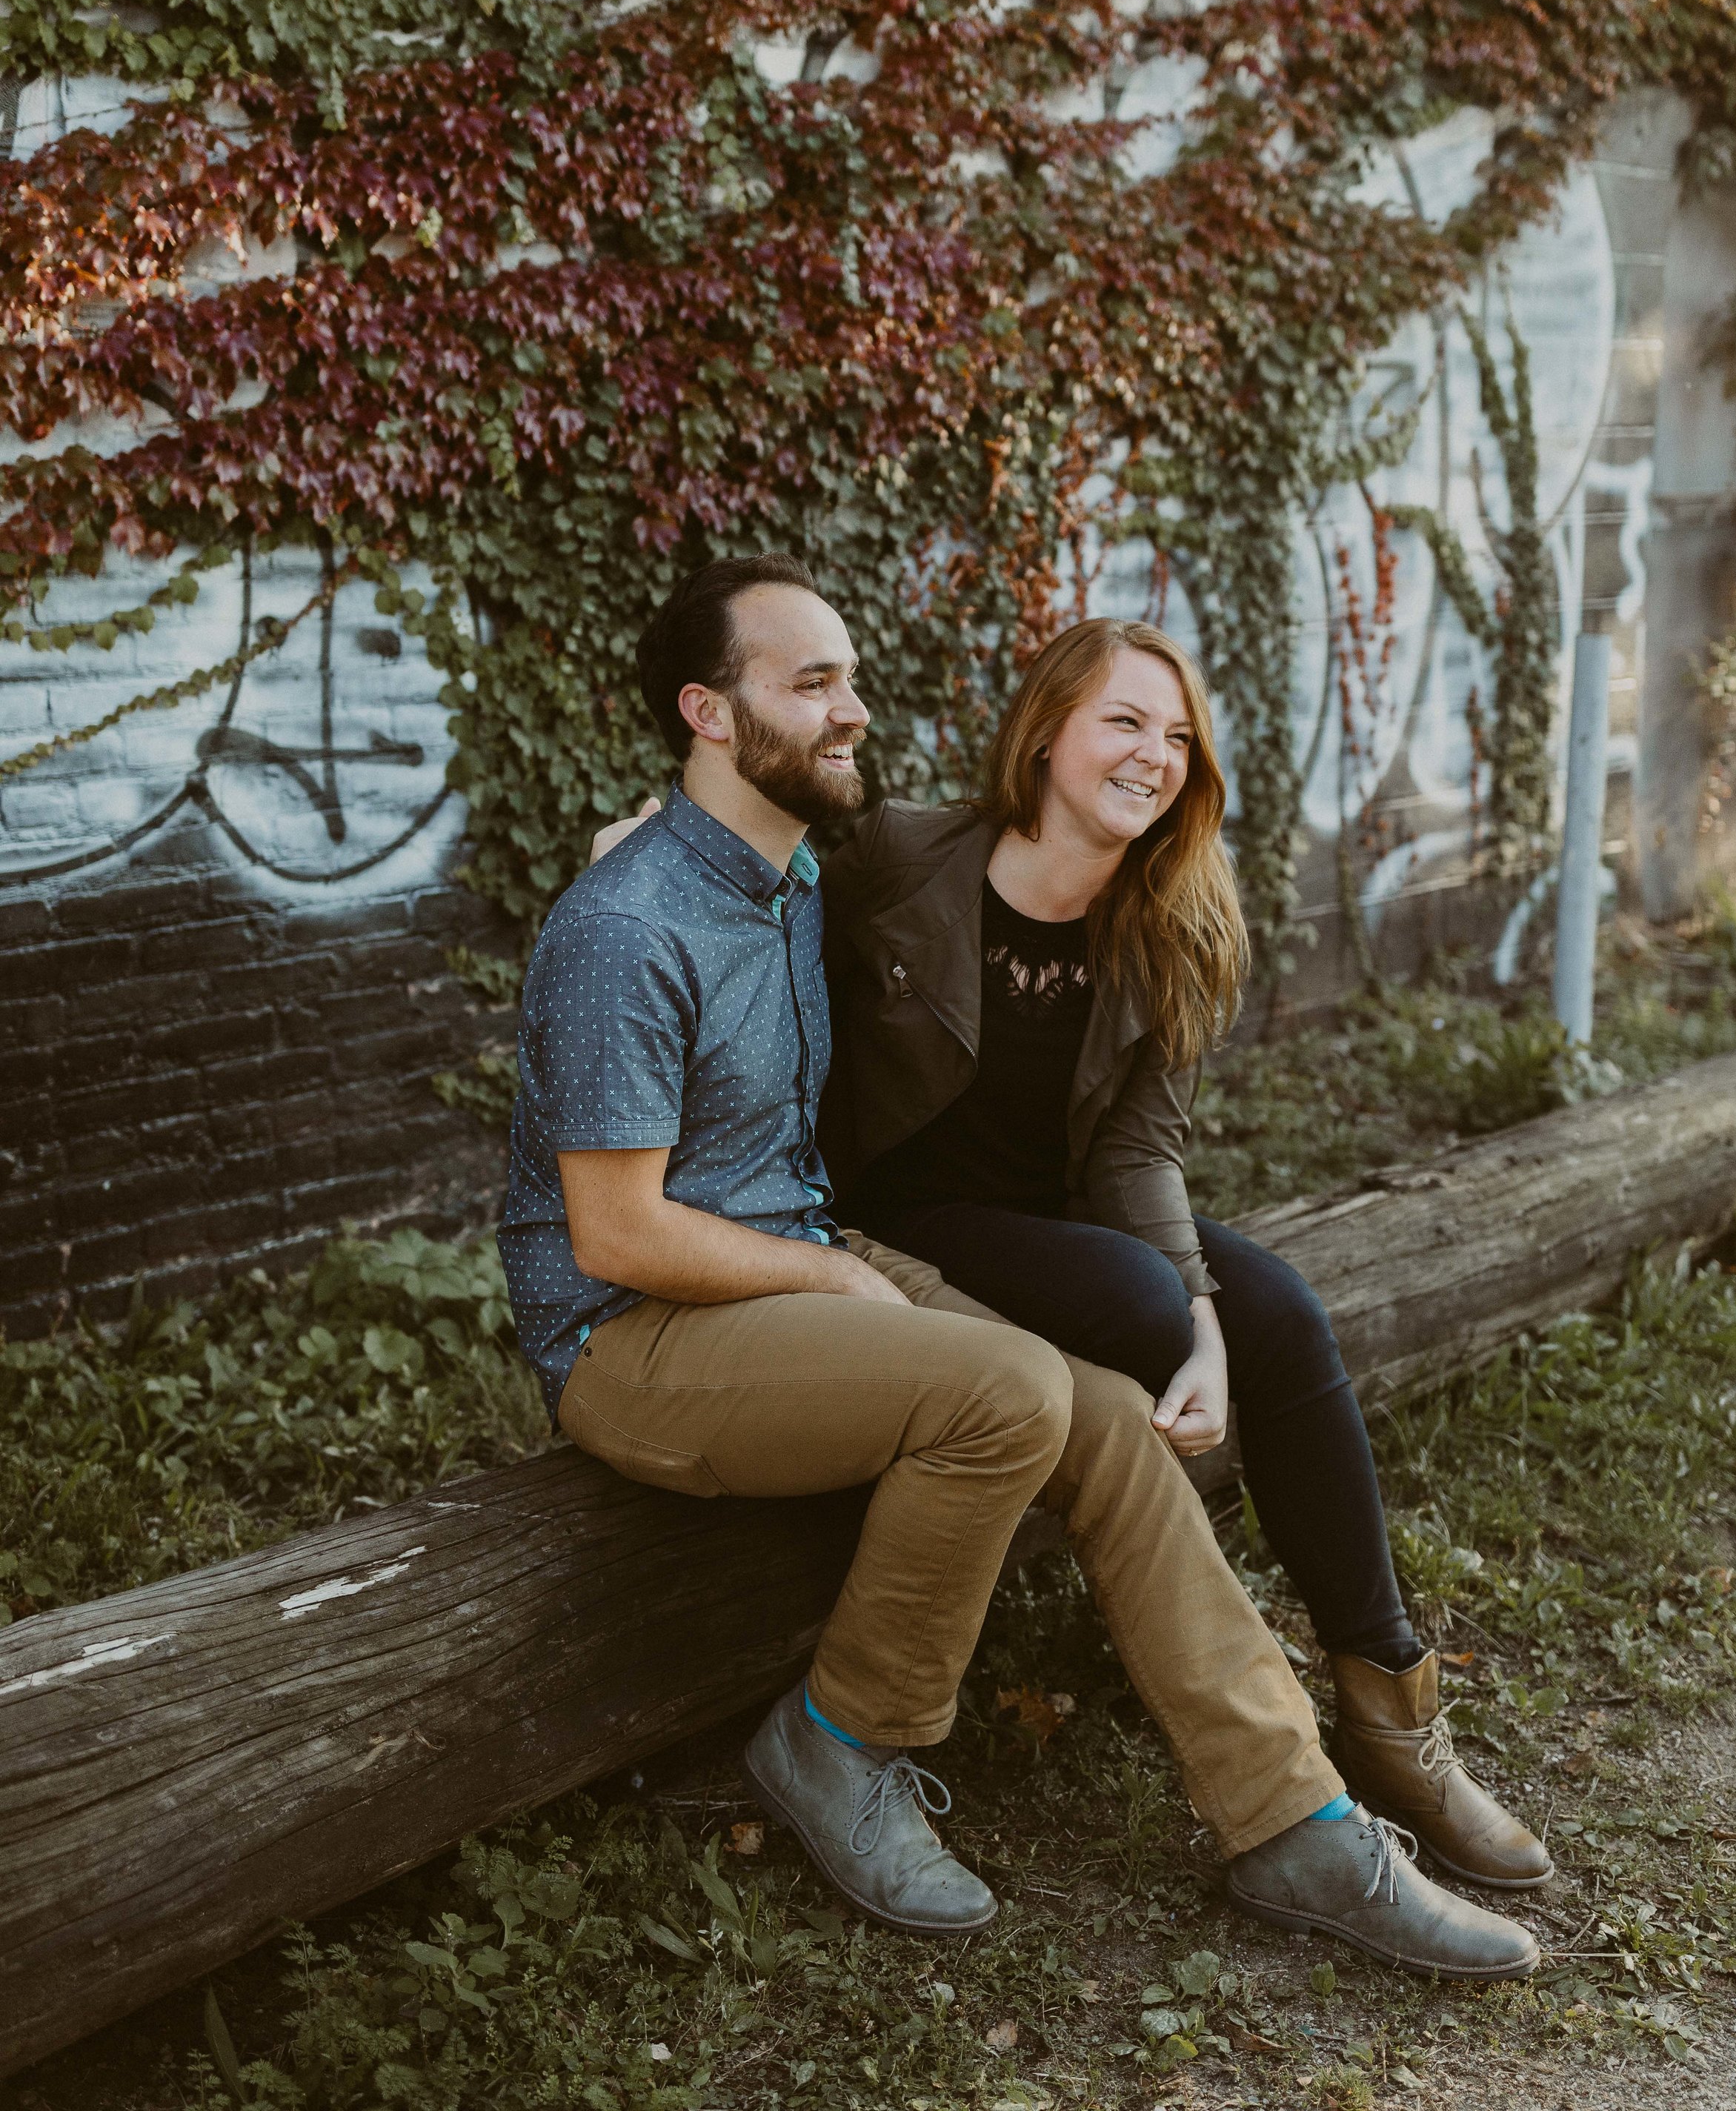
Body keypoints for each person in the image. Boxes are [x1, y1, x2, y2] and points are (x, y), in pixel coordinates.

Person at [513, 553, 1537, 1973]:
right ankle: (838, 1739)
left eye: (850, 678)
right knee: (1010, 1390)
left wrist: (851, 1276)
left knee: (1114, 1422)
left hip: (795, 1267)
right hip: (636, 1334)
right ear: (706, 710)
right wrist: (837, 1281)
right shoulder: (628, 924)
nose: (853, 710)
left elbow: (1126, 1147)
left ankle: (1297, 1814)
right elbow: (612, 1235)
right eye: (813, 684)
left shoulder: (798, 877)